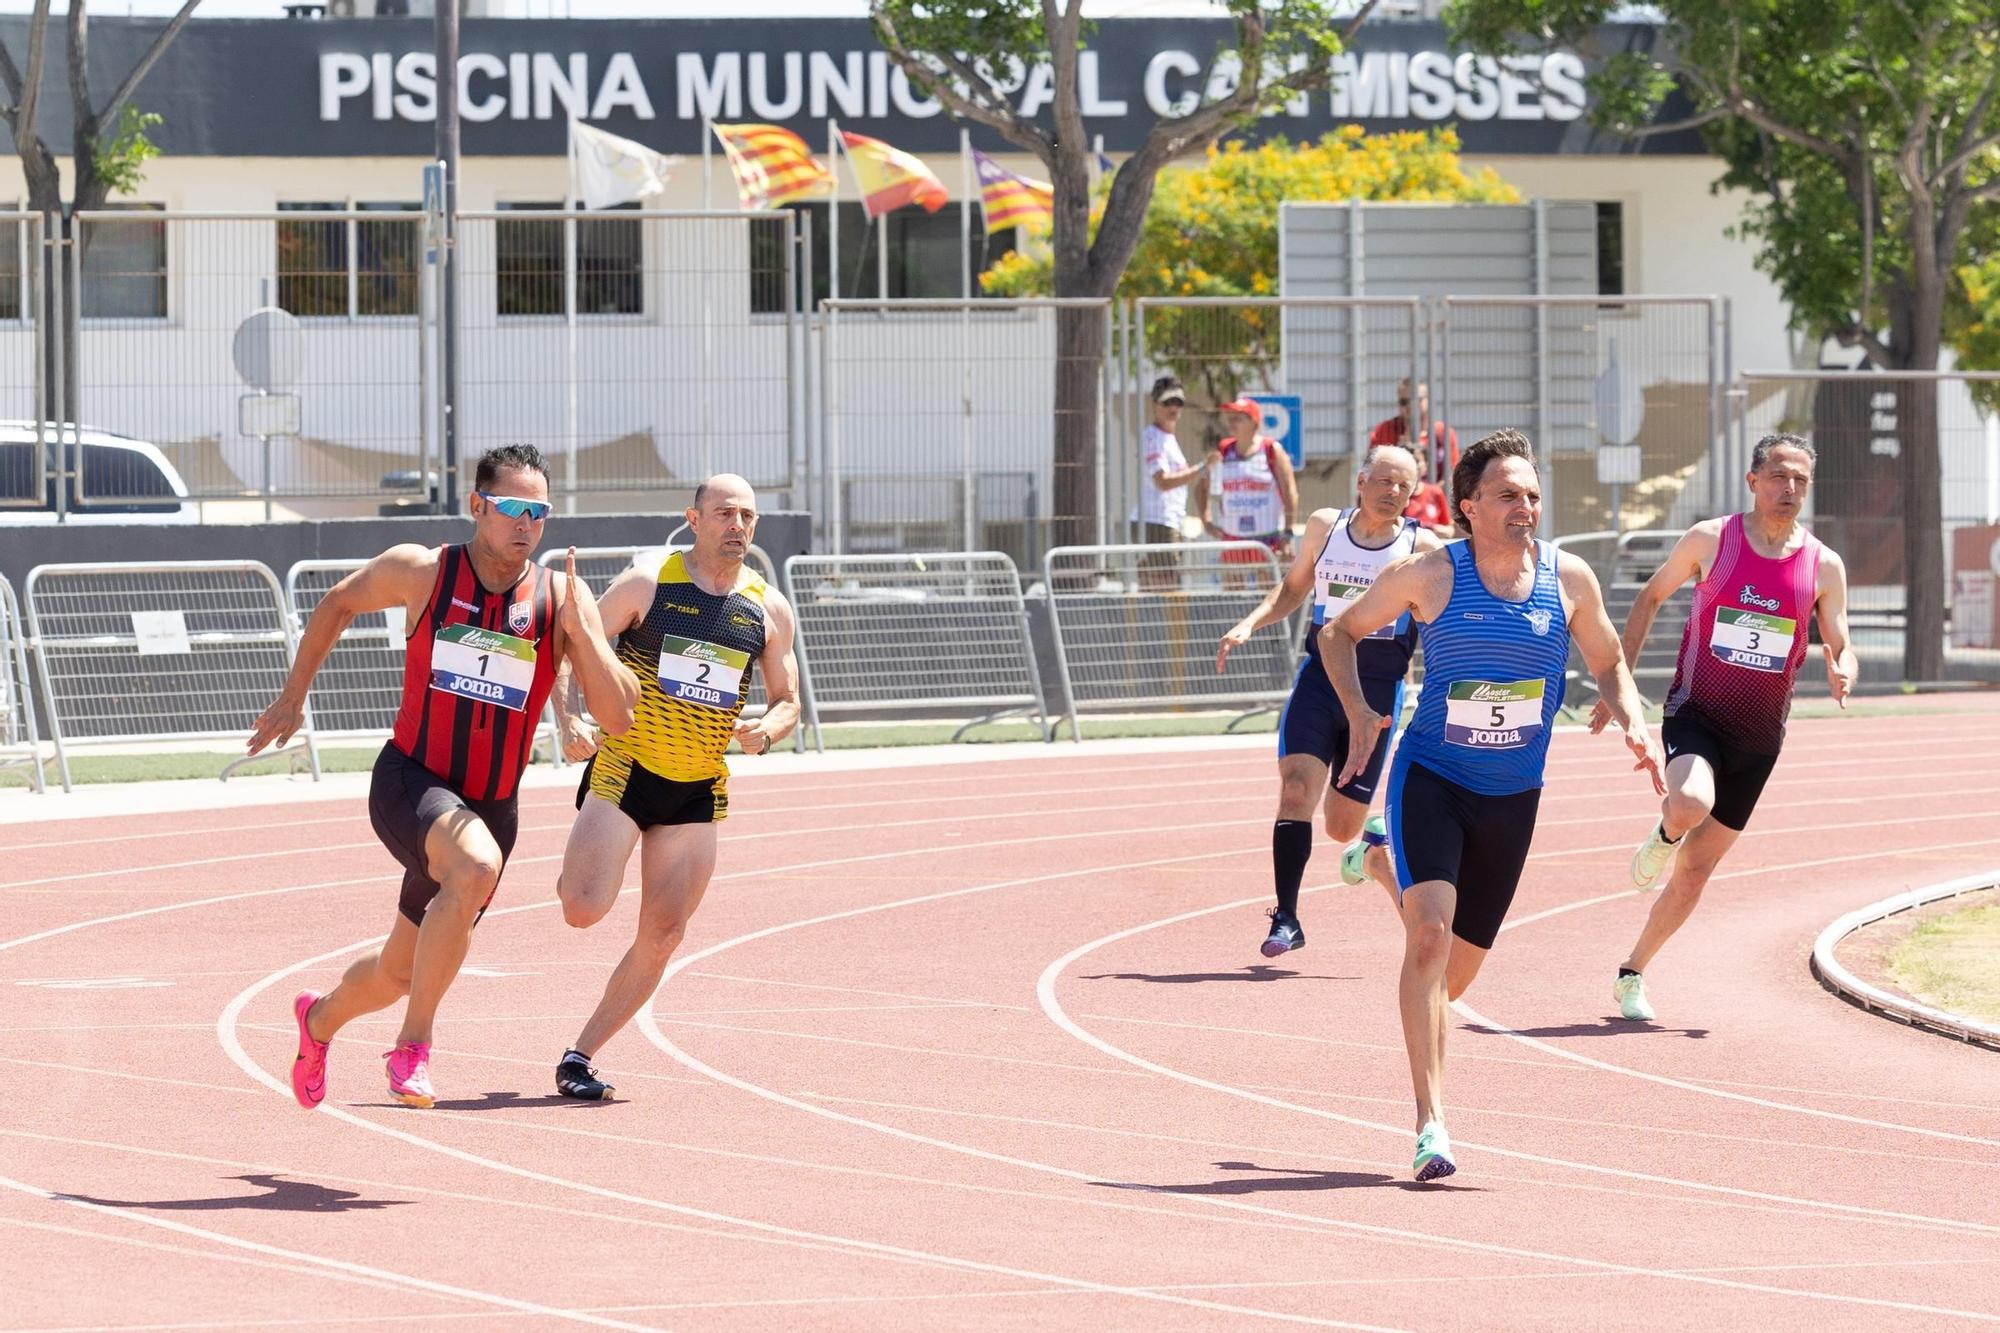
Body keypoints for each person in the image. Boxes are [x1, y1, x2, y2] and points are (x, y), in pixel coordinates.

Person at [250, 444, 639, 1111]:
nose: (526, 524)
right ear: (477, 506)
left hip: (493, 804)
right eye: (513, 508)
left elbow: (620, 716)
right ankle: (414, 1048)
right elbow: (337, 603)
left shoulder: (558, 596)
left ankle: (317, 1022)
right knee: (475, 866)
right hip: (411, 780)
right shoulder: (424, 572)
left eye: (539, 512)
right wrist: (294, 695)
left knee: (400, 971)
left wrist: (587, 634)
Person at [1322, 429, 1662, 1181]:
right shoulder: (1430, 576)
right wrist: (1356, 712)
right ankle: (1430, 1121)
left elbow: (1609, 662)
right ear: (1469, 505)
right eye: (1509, 494)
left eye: (1533, 495)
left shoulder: (1569, 580)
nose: (1525, 507)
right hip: (1433, 777)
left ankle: (1379, 864)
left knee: (1454, 981)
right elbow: (1338, 633)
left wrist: (1633, 717)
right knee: (1428, 941)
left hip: (1513, 795)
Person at [547, 474, 802, 1101]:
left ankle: (579, 1056)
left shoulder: (768, 608)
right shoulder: (649, 583)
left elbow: (788, 698)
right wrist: (570, 715)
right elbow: (568, 641)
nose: (736, 525)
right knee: (582, 908)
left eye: (746, 516)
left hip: (696, 789)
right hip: (628, 768)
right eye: (723, 514)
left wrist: (766, 730)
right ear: (693, 518)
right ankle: (574, 866)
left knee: (664, 933)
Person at [1595, 433, 1855, 1022]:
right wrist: (1622, 681)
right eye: (1779, 477)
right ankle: (1663, 834)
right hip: (1697, 712)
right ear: (1753, 481)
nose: (1789, 490)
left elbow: (1841, 638)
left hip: (1760, 740)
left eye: (1800, 482)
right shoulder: (1713, 540)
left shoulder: (1823, 564)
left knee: (1695, 874)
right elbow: (1650, 597)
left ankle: (1632, 971)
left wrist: (1844, 667)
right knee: (1687, 801)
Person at [1215, 444, 1439, 957]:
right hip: (1320, 681)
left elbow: (1440, 612)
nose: (1392, 492)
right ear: (1361, 480)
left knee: (1342, 828)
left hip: (1379, 687)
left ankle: (1368, 854)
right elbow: (1294, 589)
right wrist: (1249, 622)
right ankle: (1287, 918)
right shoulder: (1325, 527)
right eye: (1384, 481)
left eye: (1404, 486)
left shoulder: (1420, 544)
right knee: (1296, 791)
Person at [1193, 397, 1298, 563]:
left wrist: (1287, 533)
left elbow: (1290, 492)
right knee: (1234, 588)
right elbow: (1201, 488)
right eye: (1230, 417)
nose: (1231, 422)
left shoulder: (1271, 450)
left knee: (1269, 588)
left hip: (1268, 538)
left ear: (1254, 422)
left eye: (1238, 418)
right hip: (1233, 539)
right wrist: (1207, 522)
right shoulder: (1224, 451)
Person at [1135, 376, 1212, 589]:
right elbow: (1162, 481)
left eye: (1178, 402)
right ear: (1155, 405)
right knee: (1164, 585)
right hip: (1157, 520)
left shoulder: (1168, 438)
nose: (1174, 407)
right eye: (1168, 402)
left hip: (1168, 520)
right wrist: (1201, 468)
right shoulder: (1152, 437)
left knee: (1160, 582)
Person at [1371, 380, 1458, 539]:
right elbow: (1374, 468)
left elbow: (1450, 473)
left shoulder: (1441, 433)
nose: (1410, 407)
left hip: (1431, 502)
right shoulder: (1386, 430)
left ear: (1427, 401)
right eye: (1404, 402)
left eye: (1416, 400)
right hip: (1393, 501)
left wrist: (1428, 492)